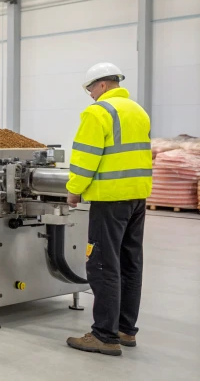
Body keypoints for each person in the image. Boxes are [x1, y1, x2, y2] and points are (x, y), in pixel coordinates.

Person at [65, 62, 153, 356]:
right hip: (137, 197)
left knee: (102, 264)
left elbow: (86, 155)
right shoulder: (137, 111)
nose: (89, 94)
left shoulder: (98, 112)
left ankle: (104, 335)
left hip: (109, 198)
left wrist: (74, 189)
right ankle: (126, 330)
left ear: (102, 84)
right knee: (130, 262)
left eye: (90, 88)